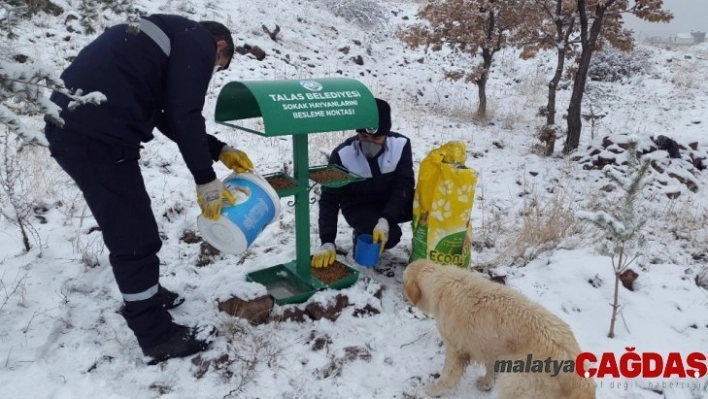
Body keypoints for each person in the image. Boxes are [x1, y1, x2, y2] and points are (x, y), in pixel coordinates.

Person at [44, 14, 254, 363]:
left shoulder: (161, 38)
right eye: (219, 65)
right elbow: (185, 112)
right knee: (134, 237)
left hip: (83, 130)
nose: (212, 70)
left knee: (135, 229)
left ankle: (148, 294)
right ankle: (156, 336)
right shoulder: (198, 41)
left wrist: (218, 149)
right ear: (220, 47)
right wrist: (205, 179)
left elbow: (168, 113)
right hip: (95, 138)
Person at [312, 98, 415, 268]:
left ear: (386, 133)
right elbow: (329, 199)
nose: (370, 143)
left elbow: (404, 185)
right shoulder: (341, 155)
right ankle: (361, 233)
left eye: (377, 138)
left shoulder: (401, 145)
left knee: (431, 205)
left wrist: (386, 219)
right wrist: (327, 241)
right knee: (391, 236)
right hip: (359, 206)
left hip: (392, 201)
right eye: (364, 137)